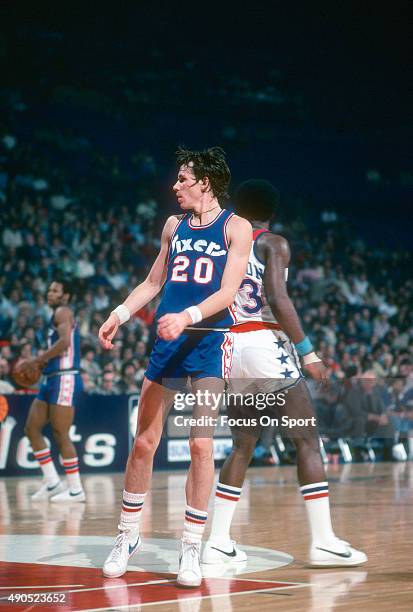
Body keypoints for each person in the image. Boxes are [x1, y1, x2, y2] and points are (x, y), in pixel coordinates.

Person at [98, 147, 252, 586]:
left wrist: (187, 316)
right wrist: (120, 314)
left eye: (183, 178)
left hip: (208, 343)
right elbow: (152, 282)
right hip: (169, 343)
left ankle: (190, 544)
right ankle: (127, 536)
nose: (175, 186)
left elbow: (228, 293)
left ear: (205, 182)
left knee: (201, 445)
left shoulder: (237, 228)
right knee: (144, 442)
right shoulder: (173, 226)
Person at [203, 179, 367, 567]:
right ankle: (324, 542)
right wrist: (307, 350)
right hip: (264, 343)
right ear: (272, 211)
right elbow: (277, 298)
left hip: (231, 347)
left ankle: (218, 542)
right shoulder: (271, 242)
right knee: (308, 441)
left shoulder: (223, 243)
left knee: (242, 444)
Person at [24, 279, 85, 502]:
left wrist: (37, 360)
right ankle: (52, 482)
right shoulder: (55, 314)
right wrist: (41, 364)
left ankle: (76, 490)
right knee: (31, 428)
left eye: (55, 290)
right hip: (50, 379)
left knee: (61, 434)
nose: (50, 293)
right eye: (49, 290)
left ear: (65, 296)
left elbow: (65, 342)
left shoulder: (63, 311)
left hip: (65, 378)